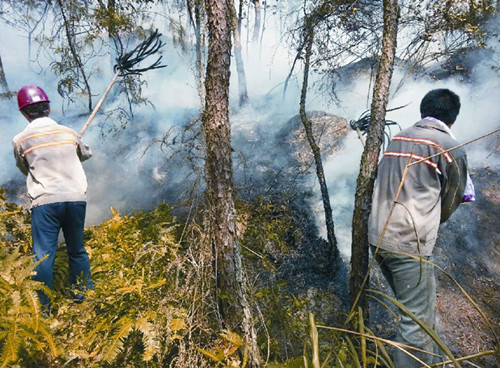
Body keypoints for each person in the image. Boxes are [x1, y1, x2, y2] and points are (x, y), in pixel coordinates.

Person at [368, 88, 472, 367]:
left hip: (377, 237)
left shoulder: (399, 137)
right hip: (408, 244)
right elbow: (453, 198)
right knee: (415, 322)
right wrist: (433, 220)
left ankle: (435, 362)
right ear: (453, 118)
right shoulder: (449, 147)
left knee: (418, 312)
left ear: (423, 111)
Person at [12, 85, 94, 307]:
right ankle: (84, 299)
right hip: (76, 199)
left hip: (46, 201)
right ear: (48, 109)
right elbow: (85, 154)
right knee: (77, 250)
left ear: (25, 113)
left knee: (44, 256)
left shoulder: (20, 139)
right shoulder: (69, 133)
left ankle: (43, 309)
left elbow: (24, 167)